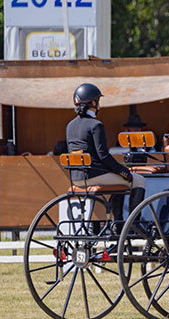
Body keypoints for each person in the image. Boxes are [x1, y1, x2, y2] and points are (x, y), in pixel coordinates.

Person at [66, 83, 146, 232]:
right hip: (93, 175)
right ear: (93, 103)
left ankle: (118, 223)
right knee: (138, 180)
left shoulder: (70, 125)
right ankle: (132, 223)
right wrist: (124, 171)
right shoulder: (96, 125)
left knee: (121, 182)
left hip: (76, 177)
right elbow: (103, 156)